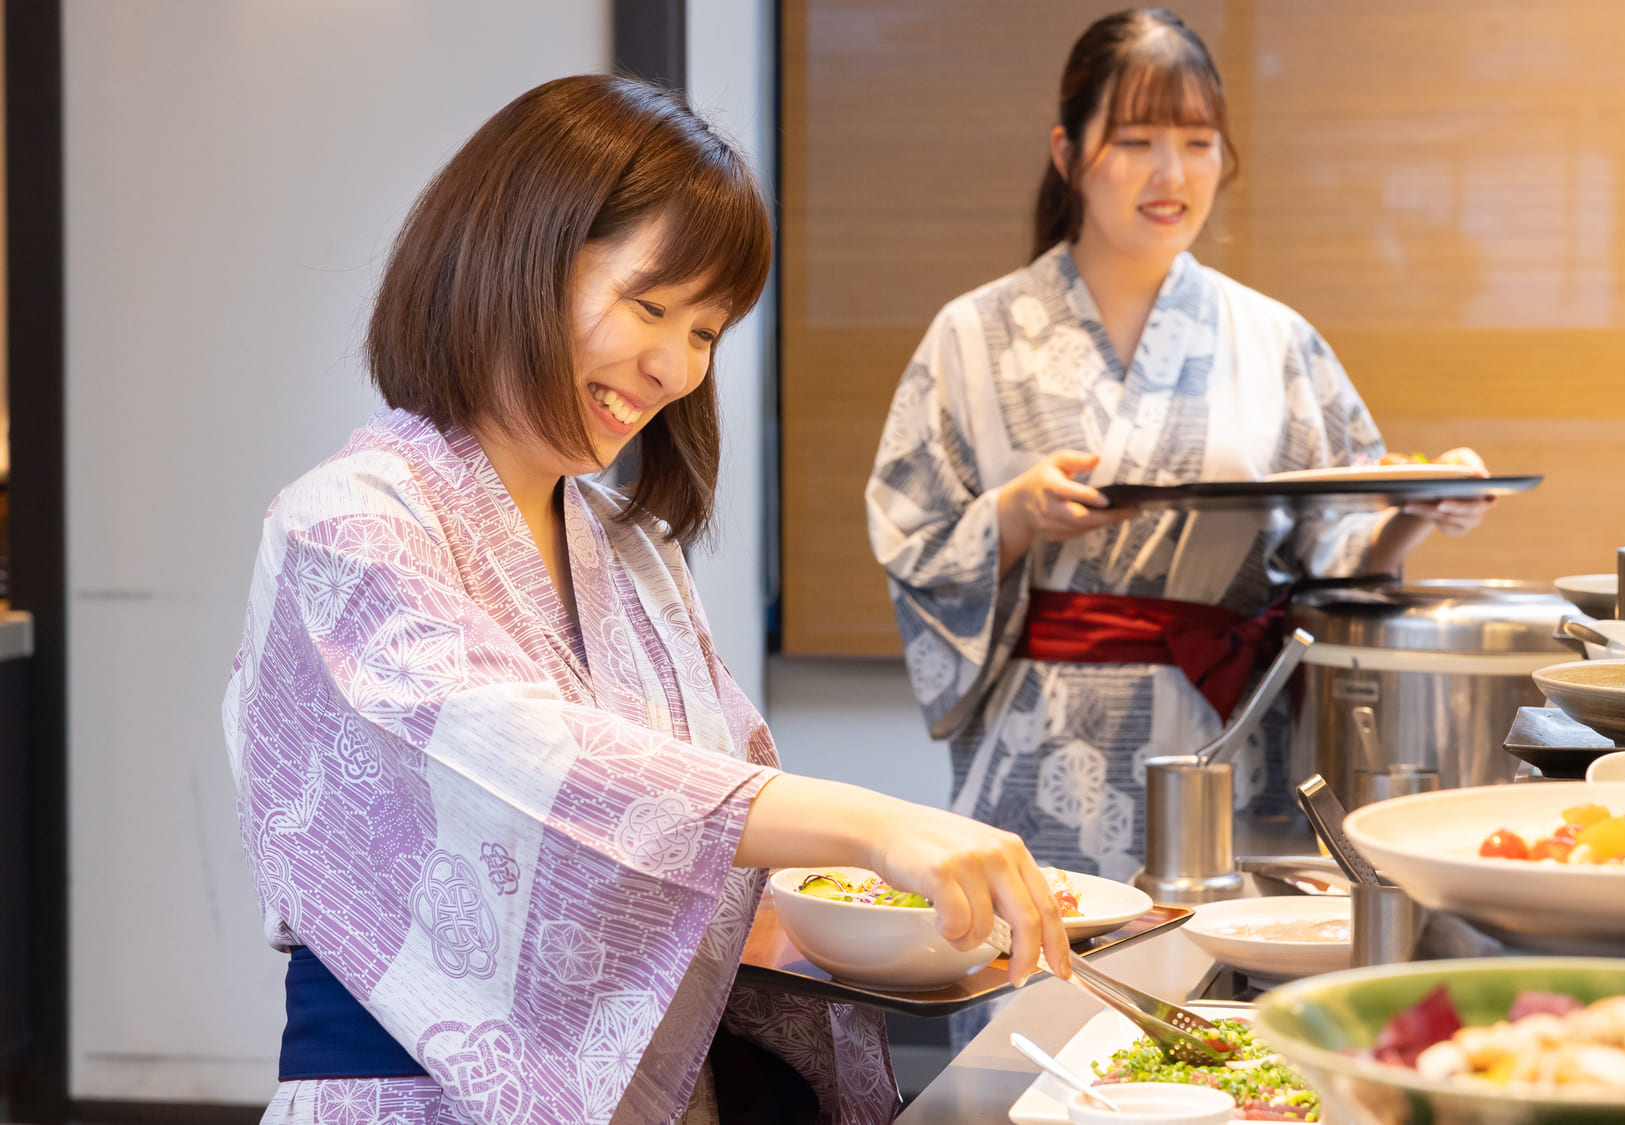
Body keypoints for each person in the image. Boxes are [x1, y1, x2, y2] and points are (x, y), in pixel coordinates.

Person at [224, 75, 1067, 1125]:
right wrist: (876, 827)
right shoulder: (345, 526)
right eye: (649, 305)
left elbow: (708, 843)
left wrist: (899, 932)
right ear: (519, 253)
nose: (673, 367)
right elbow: (537, 766)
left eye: (708, 330)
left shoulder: (631, 548)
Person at [866, 8, 1492, 886]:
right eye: (1135, 139)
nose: (1172, 173)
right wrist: (1014, 514)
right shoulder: (972, 336)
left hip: (1231, 743)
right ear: (1067, 152)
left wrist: (1410, 512)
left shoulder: (1273, 338)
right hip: (1045, 751)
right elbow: (911, 533)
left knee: (1224, 1002)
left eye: (1198, 141)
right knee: (1053, 1000)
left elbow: (1338, 553)